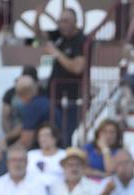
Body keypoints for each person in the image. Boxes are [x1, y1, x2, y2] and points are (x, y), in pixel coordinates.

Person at [34, 7, 85, 145]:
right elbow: (40, 36)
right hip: (54, 95)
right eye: (60, 21)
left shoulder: (81, 40)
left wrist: (56, 53)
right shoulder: (60, 36)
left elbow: (77, 67)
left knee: (66, 133)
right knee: (51, 131)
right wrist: (37, 18)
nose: (62, 24)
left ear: (75, 22)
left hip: (72, 98)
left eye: (66, 21)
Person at [26, 122, 65, 190]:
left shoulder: (64, 155)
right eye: (40, 136)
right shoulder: (30, 155)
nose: (43, 139)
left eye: (46, 135)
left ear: (55, 138)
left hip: (58, 193)